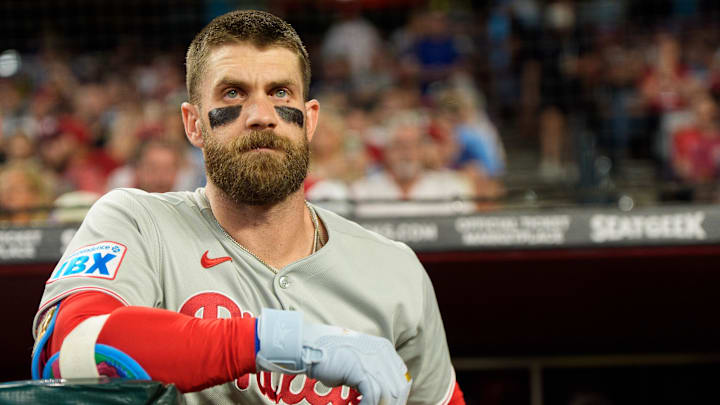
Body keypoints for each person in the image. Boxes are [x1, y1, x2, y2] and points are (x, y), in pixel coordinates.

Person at [31, 10, 464, 405]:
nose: (261, 114)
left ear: (309, 119)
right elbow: (70, 350)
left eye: (280, 92)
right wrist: (278, 341)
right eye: (233, 93)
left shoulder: (395, 270)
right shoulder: (137, 222)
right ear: (193, 124)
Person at [351, 111, 476, 217]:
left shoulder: (451, 187)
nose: (407, 153)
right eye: (399, 145)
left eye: (414, 145)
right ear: (387, 151)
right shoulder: (362, 191)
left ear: (423, 150)